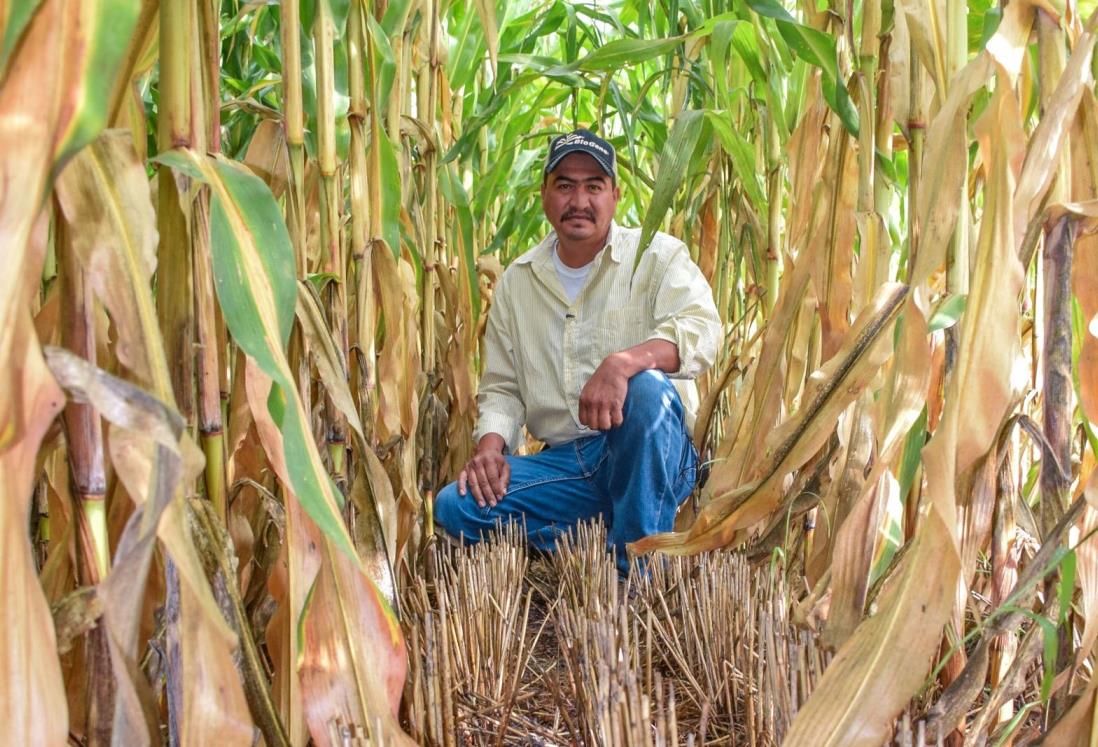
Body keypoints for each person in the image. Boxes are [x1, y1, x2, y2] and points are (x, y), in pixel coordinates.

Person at [434, 128, 722, 575]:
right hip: (569, 465)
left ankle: (635, 572)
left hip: (654, 453)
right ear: (545, 194)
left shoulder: (657, 257)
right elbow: (503, 388)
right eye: (565, 185)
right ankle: (610, 529)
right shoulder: (519, 282)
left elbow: (704, 332)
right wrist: (491, 449)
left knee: (643, 390)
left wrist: (624, 363)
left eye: (594, 186)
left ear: (615, 196)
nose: (579, 201)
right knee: (457, 506)